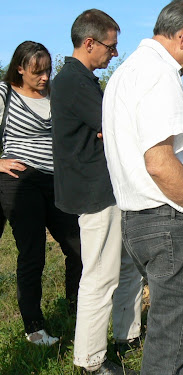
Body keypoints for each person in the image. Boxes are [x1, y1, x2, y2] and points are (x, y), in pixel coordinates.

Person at [102, 1, 183, 374]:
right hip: (169, 222)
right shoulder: (158, 73)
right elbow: (159, 161)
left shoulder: (126, 72)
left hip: (139, 222)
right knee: (172, 343)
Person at [51, 9, 142, 374]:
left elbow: (108, 127)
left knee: (124, 266)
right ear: (89, 43)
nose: (114, 53)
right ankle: (89, 360)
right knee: (100, 276)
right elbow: (115, 126)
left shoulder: (81, 78)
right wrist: (111, 129)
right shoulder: (74, 80)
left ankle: (127, 333)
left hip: (104, 187)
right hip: (95, 190)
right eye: (111, 46)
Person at [0, 41, 82, 345]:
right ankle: (34, 329)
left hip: (57, 181)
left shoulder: (55, 95)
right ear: (20, 68)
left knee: (78, 246)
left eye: (48, 70)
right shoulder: (4, 93)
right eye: (37, 71)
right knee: (33, 253)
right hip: (20, 181)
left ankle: (78, 311)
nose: (45, 77)